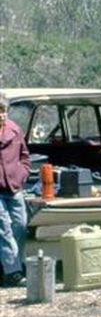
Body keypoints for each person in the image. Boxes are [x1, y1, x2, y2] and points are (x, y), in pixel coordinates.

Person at [1, 92, 31, 287]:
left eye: (2, 110)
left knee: (20, 225)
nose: (0, 115)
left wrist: (22, 174)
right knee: (3, 228)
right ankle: (14, 272)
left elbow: (25, 157)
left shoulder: (15, 130)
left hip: (14, 188)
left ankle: (11, 267)